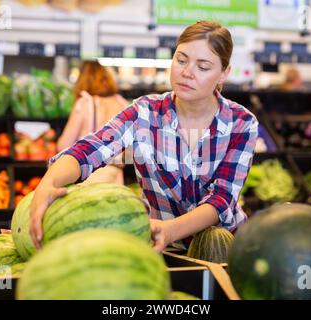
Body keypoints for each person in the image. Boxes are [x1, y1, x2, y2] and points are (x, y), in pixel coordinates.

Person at [30, 21, 259, 252]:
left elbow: (221, 199)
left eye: (203, 67)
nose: (187, 72)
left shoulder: (241, 123)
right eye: (181, 60)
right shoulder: (145, 113)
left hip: (225, 248)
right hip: (162, 247)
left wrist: (170, 229)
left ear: (223, 73)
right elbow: (89, 150)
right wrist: (48, 183)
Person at [56, 60, 129, 185]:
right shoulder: (123, 103)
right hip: (117, 178)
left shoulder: (85, 103)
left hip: (90, 178)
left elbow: (63, 146)